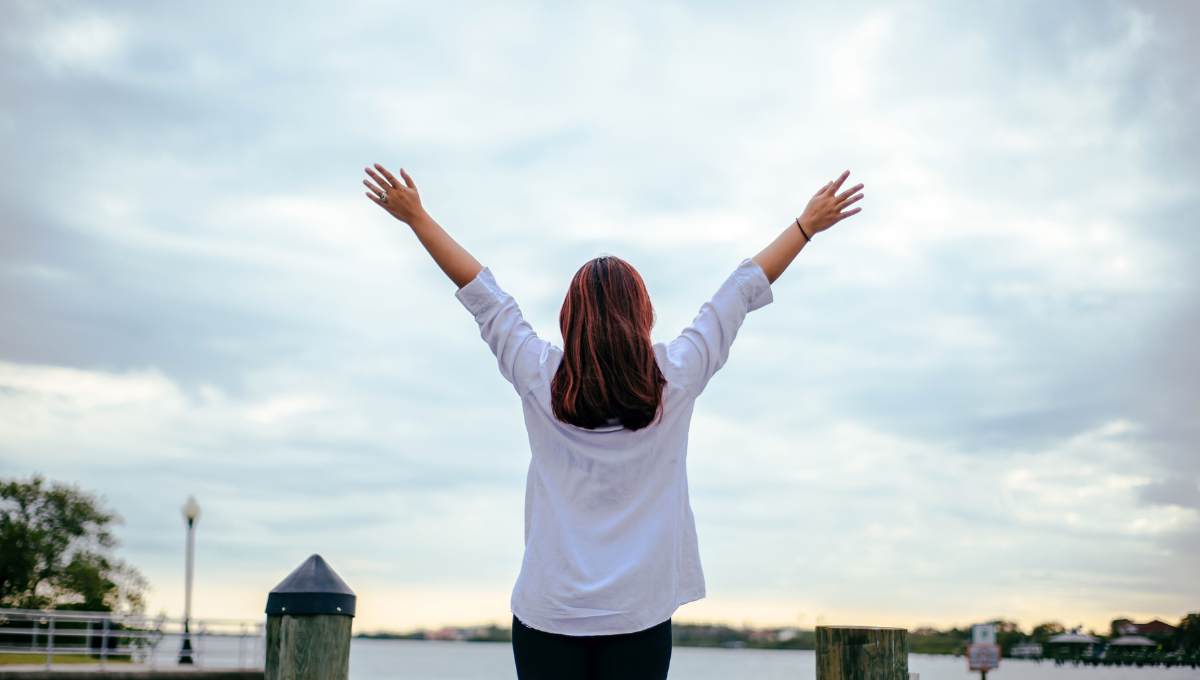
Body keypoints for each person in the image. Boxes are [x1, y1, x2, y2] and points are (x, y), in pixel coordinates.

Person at [363, 164, 864, 680]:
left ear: (570, 315)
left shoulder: (539, 375)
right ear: (642, 311)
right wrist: (805, 226)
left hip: (547, 611)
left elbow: (484, 295)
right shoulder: (676, 376)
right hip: (638, 614)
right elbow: (738, 292)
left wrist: (417, 217)